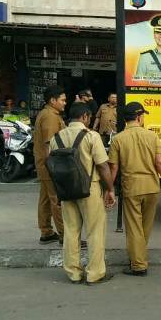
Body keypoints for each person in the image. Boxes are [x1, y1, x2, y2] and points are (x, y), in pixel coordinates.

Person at [50, 102, 116, 285]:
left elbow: (52, 166)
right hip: (90, 188)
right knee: (95, 231)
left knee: (71, 231)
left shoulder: (56, 138)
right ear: (86, 117)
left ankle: (74, 273)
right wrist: (110, 189)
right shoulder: (91, 136)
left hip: (66, 189)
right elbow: (102, 166)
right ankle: (95, 274)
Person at [108, 102, 161, 277]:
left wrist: (109, 190)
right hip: (151, 187)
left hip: (132, 188)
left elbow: (113, 168)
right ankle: (139, 257)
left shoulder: (118, 139)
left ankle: (138, 265)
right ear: (138, 117)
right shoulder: (152, 136)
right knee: (145, 227)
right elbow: (159, 163)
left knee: (134, 228)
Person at [33, 85, 67, 244]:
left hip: (44, 164)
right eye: (62, 100)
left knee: (46, 199)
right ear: (53, 100)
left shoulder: (48, 113)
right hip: (49, 164)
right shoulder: (50, 117)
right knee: (56, 200)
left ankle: (46, 232)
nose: (64, 103)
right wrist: (55, 168)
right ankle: (65, 235)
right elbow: (50, 145)